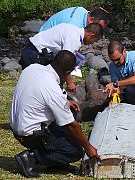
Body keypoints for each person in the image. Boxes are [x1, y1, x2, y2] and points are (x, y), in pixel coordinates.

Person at [11, 50, 100, 178]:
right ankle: (32, 157)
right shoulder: (52, 88)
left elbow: (40, 95)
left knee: (70, 113)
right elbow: (72, 125)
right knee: (74, 151)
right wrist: (88, 148)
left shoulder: (33, 68)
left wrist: (65, 102)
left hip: (18, 125)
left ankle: (56, 161)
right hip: (30, 134)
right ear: (68, 72)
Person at [19, 23, 103, 92]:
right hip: (35, 54)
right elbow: (65, 62)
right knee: (35, 87)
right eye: (94, 41)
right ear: (92, 36)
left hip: (32, 48)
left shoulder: (72, 28)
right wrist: (69, 83)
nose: (91, 43)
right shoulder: (74, 39)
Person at [39, 6, 108, 32]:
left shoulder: (83, 11)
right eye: (99, 27)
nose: (99, 31)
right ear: (91, 19)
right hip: (43, 43)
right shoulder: (74, 26)